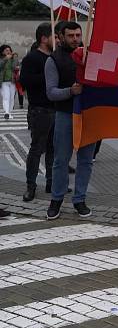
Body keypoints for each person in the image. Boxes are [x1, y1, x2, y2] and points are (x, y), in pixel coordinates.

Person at [45, 21, 94, 220]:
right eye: (71, 36)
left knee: (86, 161)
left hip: (88, 115)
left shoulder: (89, 56)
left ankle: (79, 199)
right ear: (61, 37)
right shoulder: (53, 60)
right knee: (61, 161)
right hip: (65, 115)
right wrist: (70, 91)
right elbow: (51, 93)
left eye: (77, 35)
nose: (75, 39)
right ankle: (56, 199)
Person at [19, 23, 55, 202]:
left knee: (52, 149)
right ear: (43, 38)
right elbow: (25, 81)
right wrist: (48, 76)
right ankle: (30, 186)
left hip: (55, 109)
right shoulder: (32, 58)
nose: (56, 39)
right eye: (53, 36)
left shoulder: (55, 57)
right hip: (39, 110)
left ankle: (51, 183)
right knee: (36, 149)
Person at [1, 45, 20, 119]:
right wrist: (5, 59)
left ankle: (9, 112)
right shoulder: (1, 59)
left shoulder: (13, 59)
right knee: (6, 97)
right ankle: (6, 112)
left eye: (9, 50)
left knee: (11, 98)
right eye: (6, 50)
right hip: (3, 82)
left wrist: (14, 58)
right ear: (2, 52)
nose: (8, 51)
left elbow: (15, 66)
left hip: (12, 81)